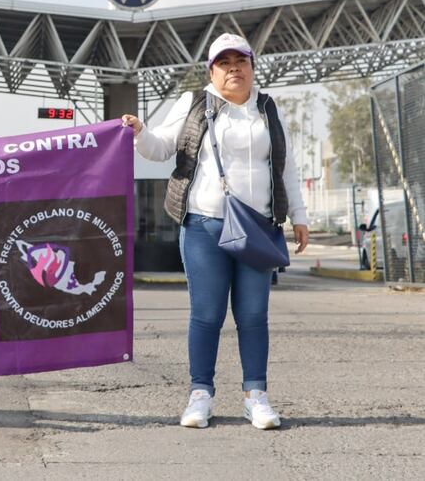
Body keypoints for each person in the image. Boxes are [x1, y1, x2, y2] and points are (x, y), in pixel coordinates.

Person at [120, 33, 309, 431]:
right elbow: (160, 147)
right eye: (224, 63)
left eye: (241, 61)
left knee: (253, 315)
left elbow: (286, 166)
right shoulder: (194, 104)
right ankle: (200, 394)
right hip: (204, 225)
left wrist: (299, 215)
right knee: (206, 315)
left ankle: (255, 396)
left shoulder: (267, 108)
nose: (233, 69)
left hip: (257, 228)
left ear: (252, 67)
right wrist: (139, 132)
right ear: (212, 72)